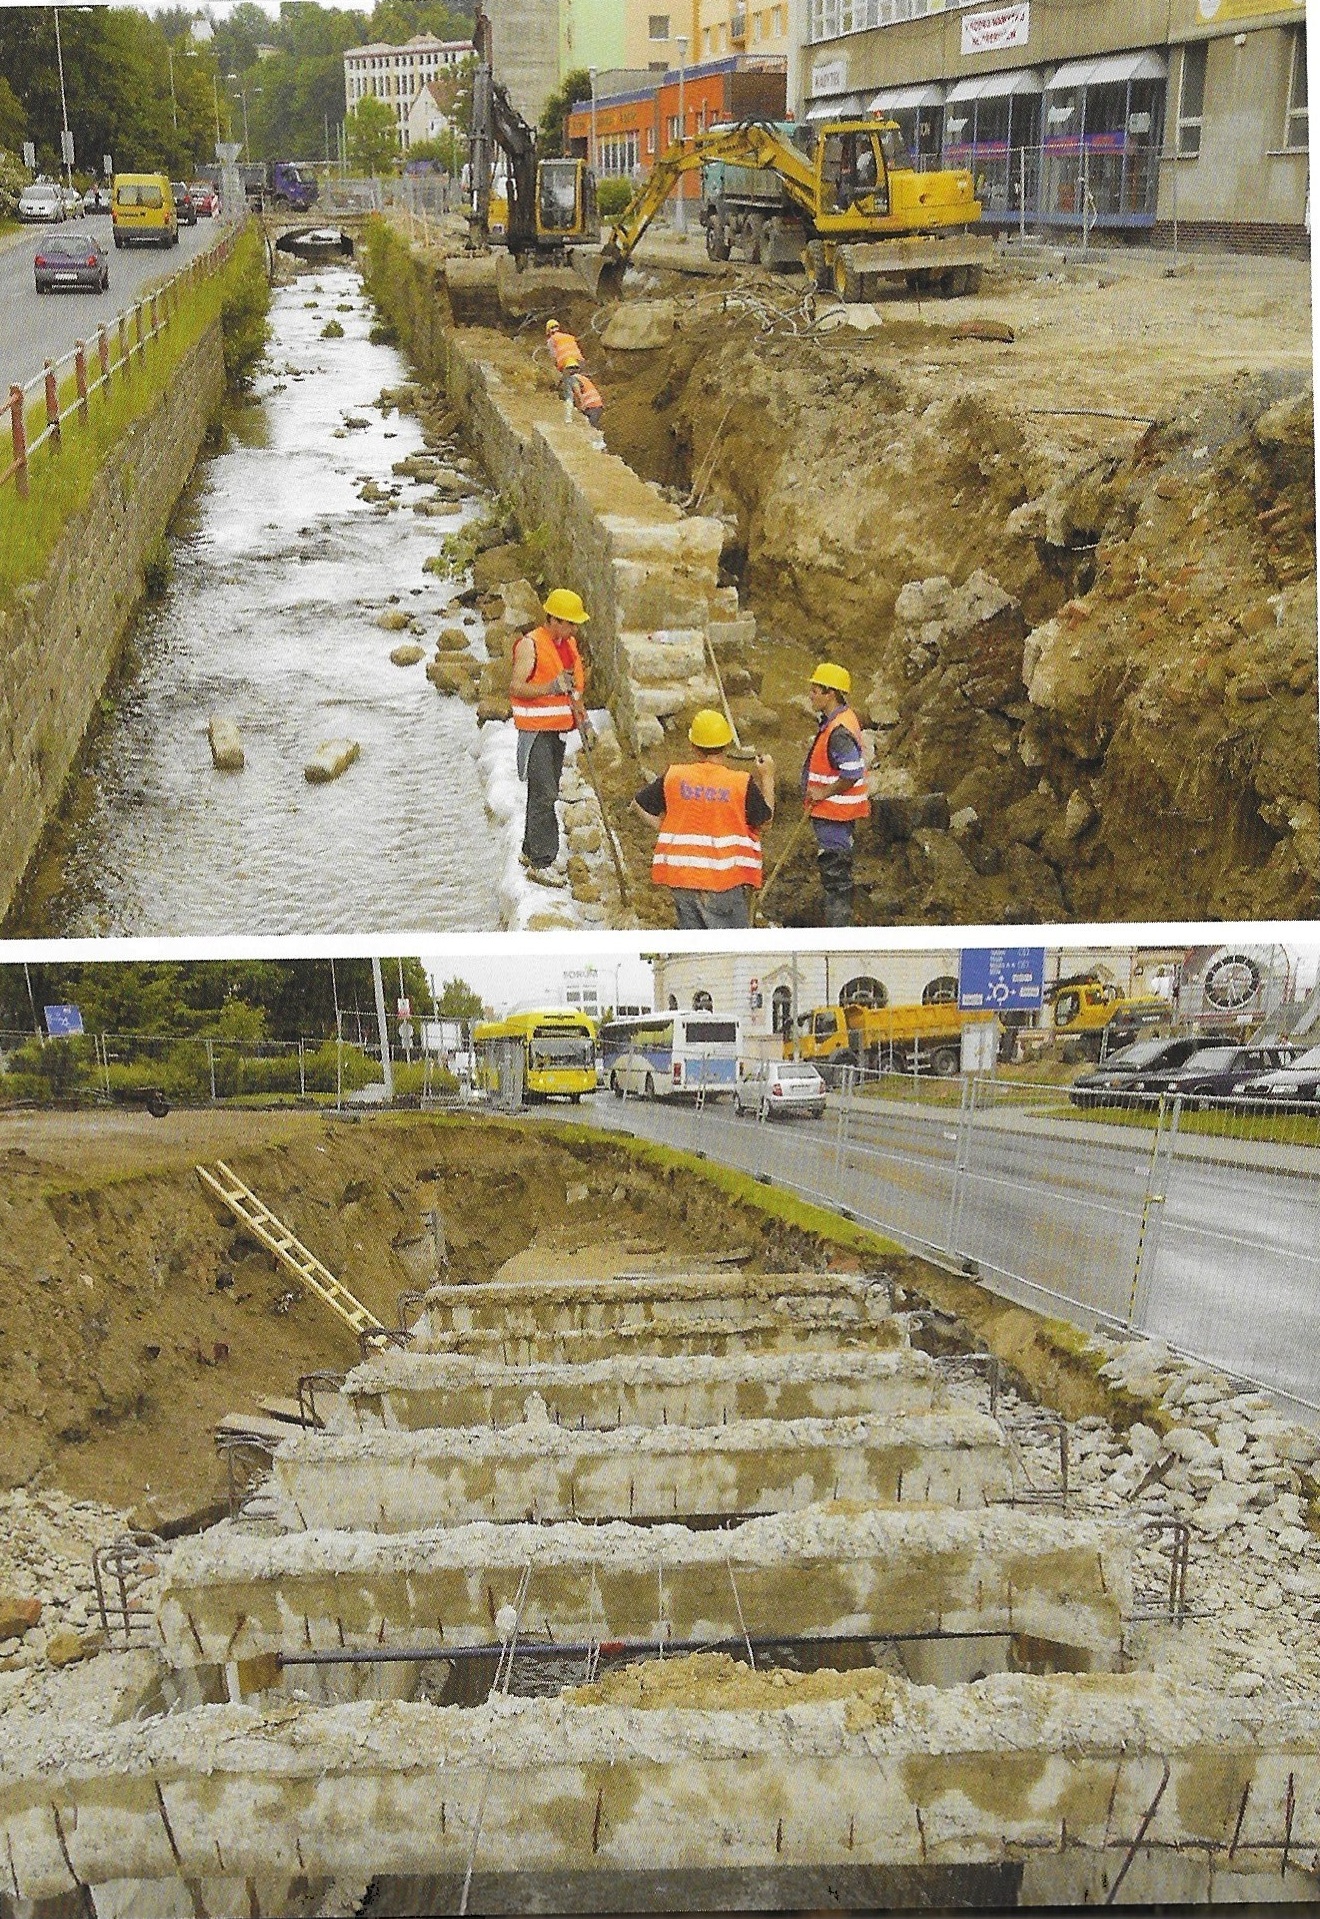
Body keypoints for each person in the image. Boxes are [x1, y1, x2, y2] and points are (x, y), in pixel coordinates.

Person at [633, 710, 774, 930]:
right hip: (724, 882)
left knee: (695, 946)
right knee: (731, 948)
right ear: (727, 745)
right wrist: (768, 777)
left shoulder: (674, 776)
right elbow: (765, 822)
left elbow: (639, 804)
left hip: (683, 880)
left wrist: (665, 828)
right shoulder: (740, 783)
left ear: (693, 745)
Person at [509, 587, 590, 880]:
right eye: (570, 623)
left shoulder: (568, 646)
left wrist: (584, 720)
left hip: (557, 732)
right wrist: (550, 687)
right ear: (554, 619)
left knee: (544, 793)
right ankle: (542, 862)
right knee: (544, 794)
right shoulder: (530, 645)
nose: (574, 629)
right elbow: (516, 687)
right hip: (536, 732)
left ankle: (530, 850)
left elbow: (574, 691)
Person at [802, 661, 869, 927]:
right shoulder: (839, 720)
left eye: (815, 690)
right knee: (836, 873)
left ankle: (838, 932)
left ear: (830, 693)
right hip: (835, 814)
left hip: (835, 815)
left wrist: (823, 792)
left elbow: (851, 772)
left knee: (836, 877)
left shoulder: (838, 731)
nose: (810, 695)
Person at [545, 319, 587, 399]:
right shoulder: (568, 336)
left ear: (548, 330)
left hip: (568, 364)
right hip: (579, 362)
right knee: (579, 383)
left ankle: (574, 402)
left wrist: (557, 367)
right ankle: (584, 400)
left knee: (569, 386)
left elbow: (553, 356)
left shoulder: (552, 340)